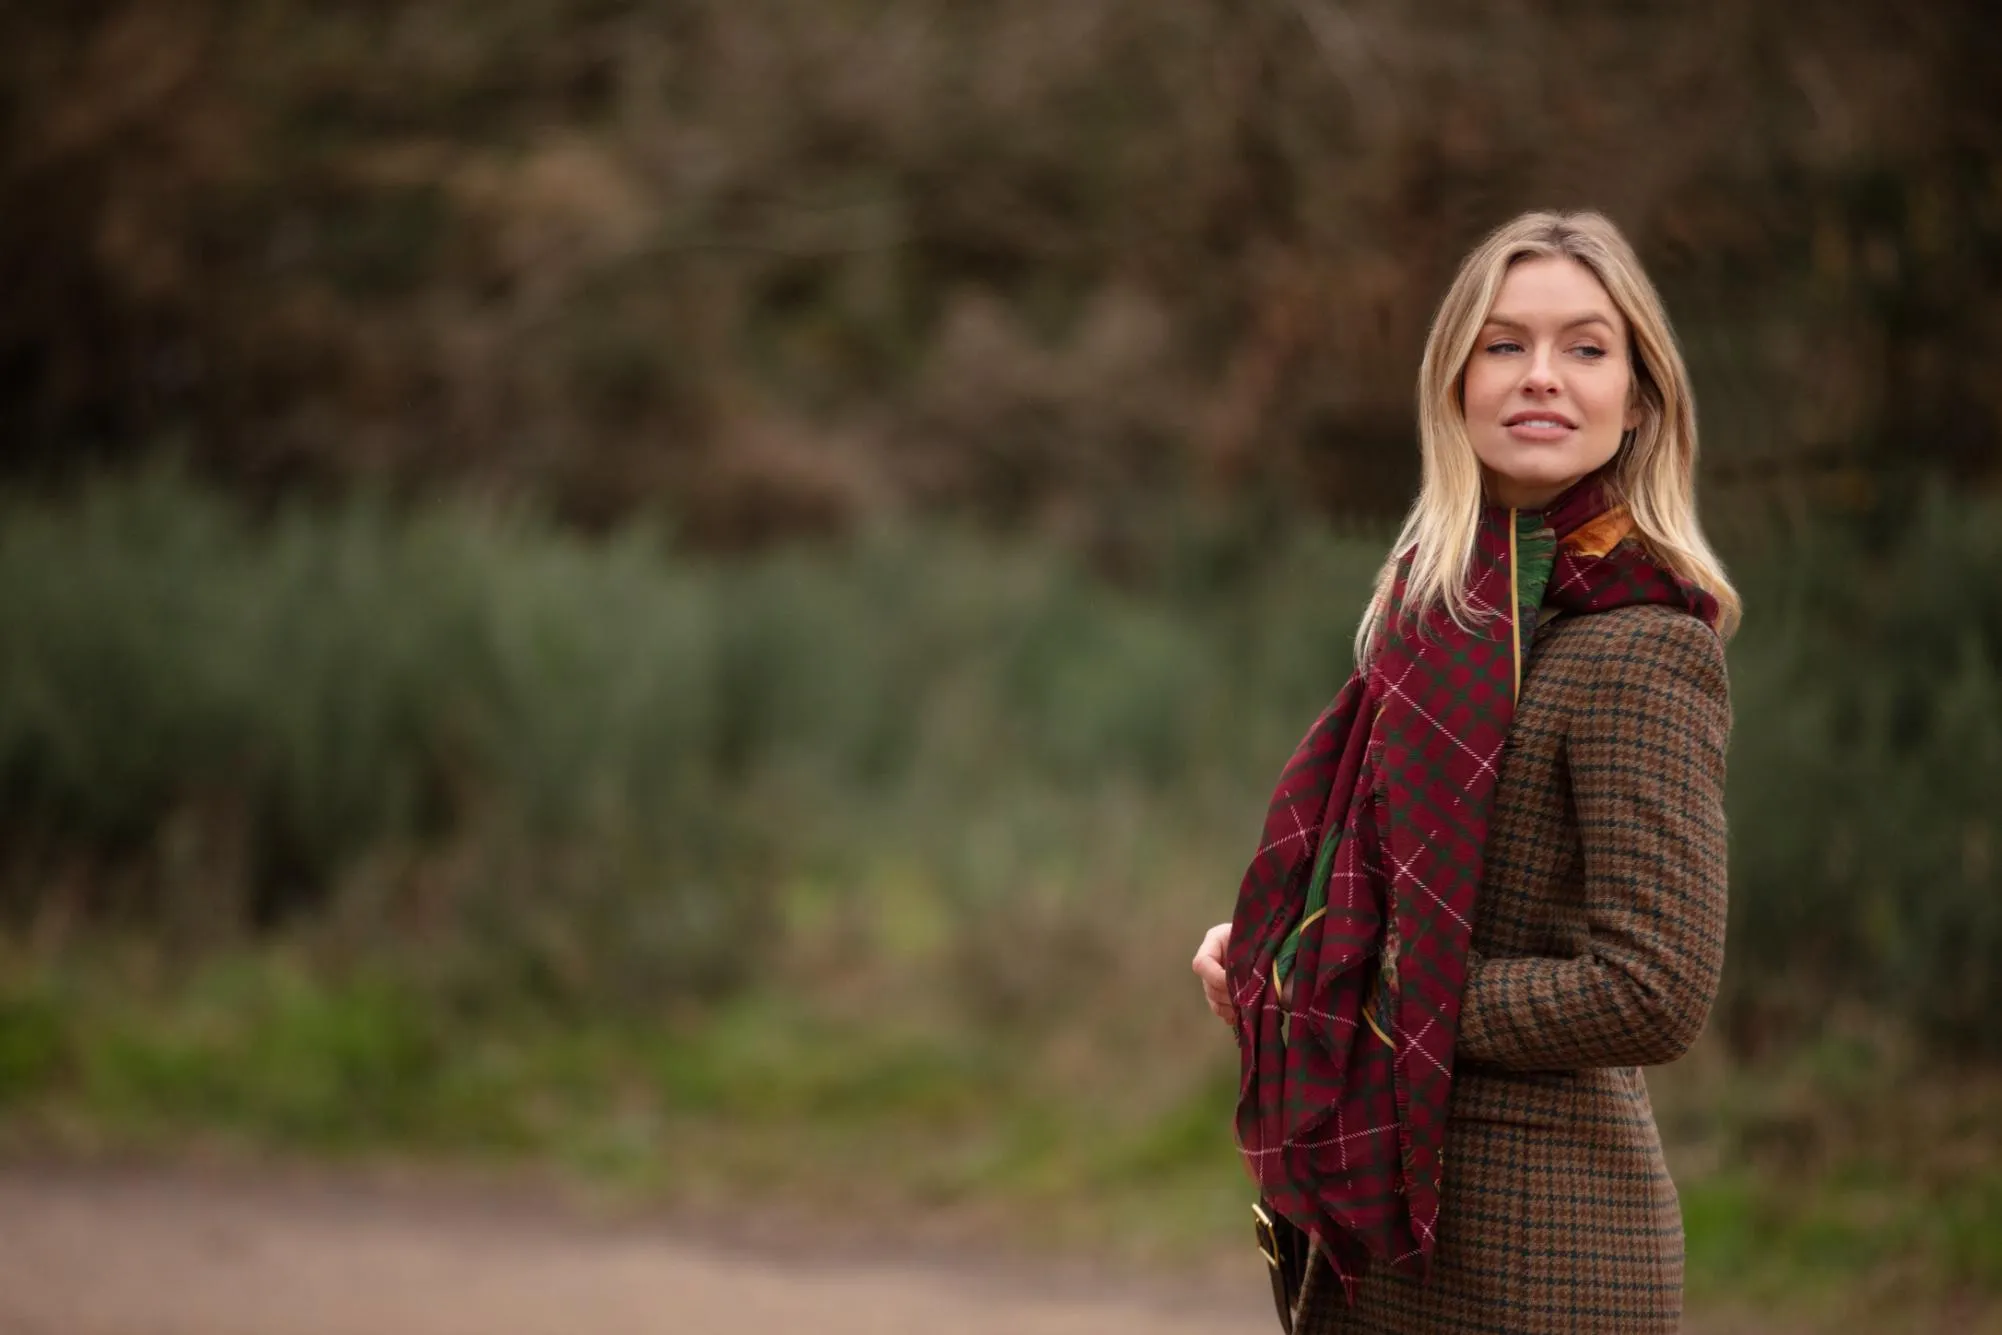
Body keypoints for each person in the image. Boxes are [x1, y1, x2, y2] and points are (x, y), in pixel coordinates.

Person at [1189, 210, 1739, 1335]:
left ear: (1636, 397)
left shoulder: (1641, 645)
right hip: (1382, 1244)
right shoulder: (1440, 620)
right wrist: (1280, 959)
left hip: (1540, 1263)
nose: (1542, 376)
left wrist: (1361, 995)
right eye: (1504, 345)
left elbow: (1654, 990)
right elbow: (1378, 902)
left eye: (1585, 348)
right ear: (1455, 384)